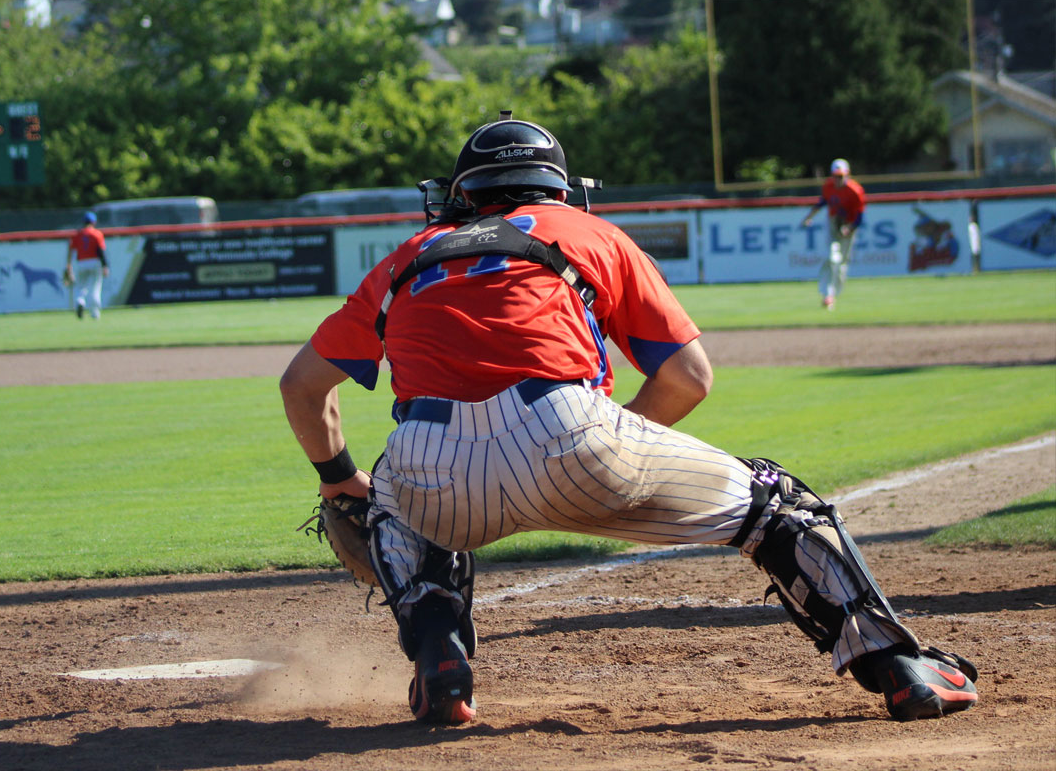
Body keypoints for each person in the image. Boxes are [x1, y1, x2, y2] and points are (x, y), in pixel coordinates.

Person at [279, 114, 977, 726]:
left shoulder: (409, 255)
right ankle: (897, 667)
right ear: (558, 188)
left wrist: (340, 483)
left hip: (431, 456)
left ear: (461, 196)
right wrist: (610, 449)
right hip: (572, 431)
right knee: (779, 508)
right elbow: (688, 377)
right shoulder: (590, 232)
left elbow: (302, 388)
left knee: (391, 500)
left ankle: (440, 656)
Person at [801, 158, 866, 309]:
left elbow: (860, 217)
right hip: (833, 222)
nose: (838, 179)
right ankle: (828, 294)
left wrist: (849, 228)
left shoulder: (855, 190)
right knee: (831, 257)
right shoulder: (828, 186)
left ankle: (834, 293)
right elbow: (822, 203)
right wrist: (809, 217)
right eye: (835, 176)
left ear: (847, 175)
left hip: (849, 225)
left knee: (842, 262)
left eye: (841, 176)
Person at [66, 211, 109, 320]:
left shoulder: (77, 235)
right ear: (94, 222)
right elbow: (101, 251)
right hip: (95, 262)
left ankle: (80, 301)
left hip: (81, 262)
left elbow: (71, 251)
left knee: (80, 287)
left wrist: (69, 265)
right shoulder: (97, 234)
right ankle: (95, 313)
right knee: (95, 287)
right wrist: (105, 266)